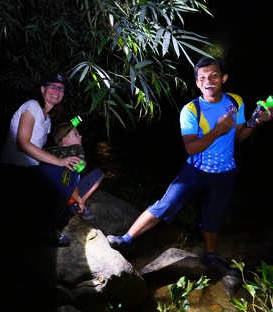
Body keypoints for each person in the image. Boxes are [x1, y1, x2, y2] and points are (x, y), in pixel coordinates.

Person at [106, 57, 273, 273]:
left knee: (215, 215)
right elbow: (191, 148)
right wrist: (218, 129)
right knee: (166, 204)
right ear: (197, 83)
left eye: (214, 75)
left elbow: (239, 137)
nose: (208, 81)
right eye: (202, 77)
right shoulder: (191, 110)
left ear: (224, 78)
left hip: (225, 173)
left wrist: (256, 122)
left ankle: (210, 257)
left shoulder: (236, 101)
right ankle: (126, 239)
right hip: (195, 171)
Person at [0, 72, 82, 247]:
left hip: (29, 174)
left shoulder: (48, 121)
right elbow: (22, 143)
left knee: (71, 168)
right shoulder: (32, 106)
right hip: (12, 171)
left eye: (61, 89)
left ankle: (45, 218)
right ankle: (46, 228)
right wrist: (59, 162)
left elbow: (43, 153)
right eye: (53, 86)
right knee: (66, 170)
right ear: (43, 89)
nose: (57, 91)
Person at [45, 122, 104, 221]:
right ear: (65, 140)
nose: (80, 136)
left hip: (69, 191)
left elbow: (76, 174)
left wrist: (82, 164)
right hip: (58, 196)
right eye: (76, 134)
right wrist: (79, 200)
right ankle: (78, 204)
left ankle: (76, 205)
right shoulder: (61, 158)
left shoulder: (72, 155)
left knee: (98, 174)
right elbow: (64, 183)